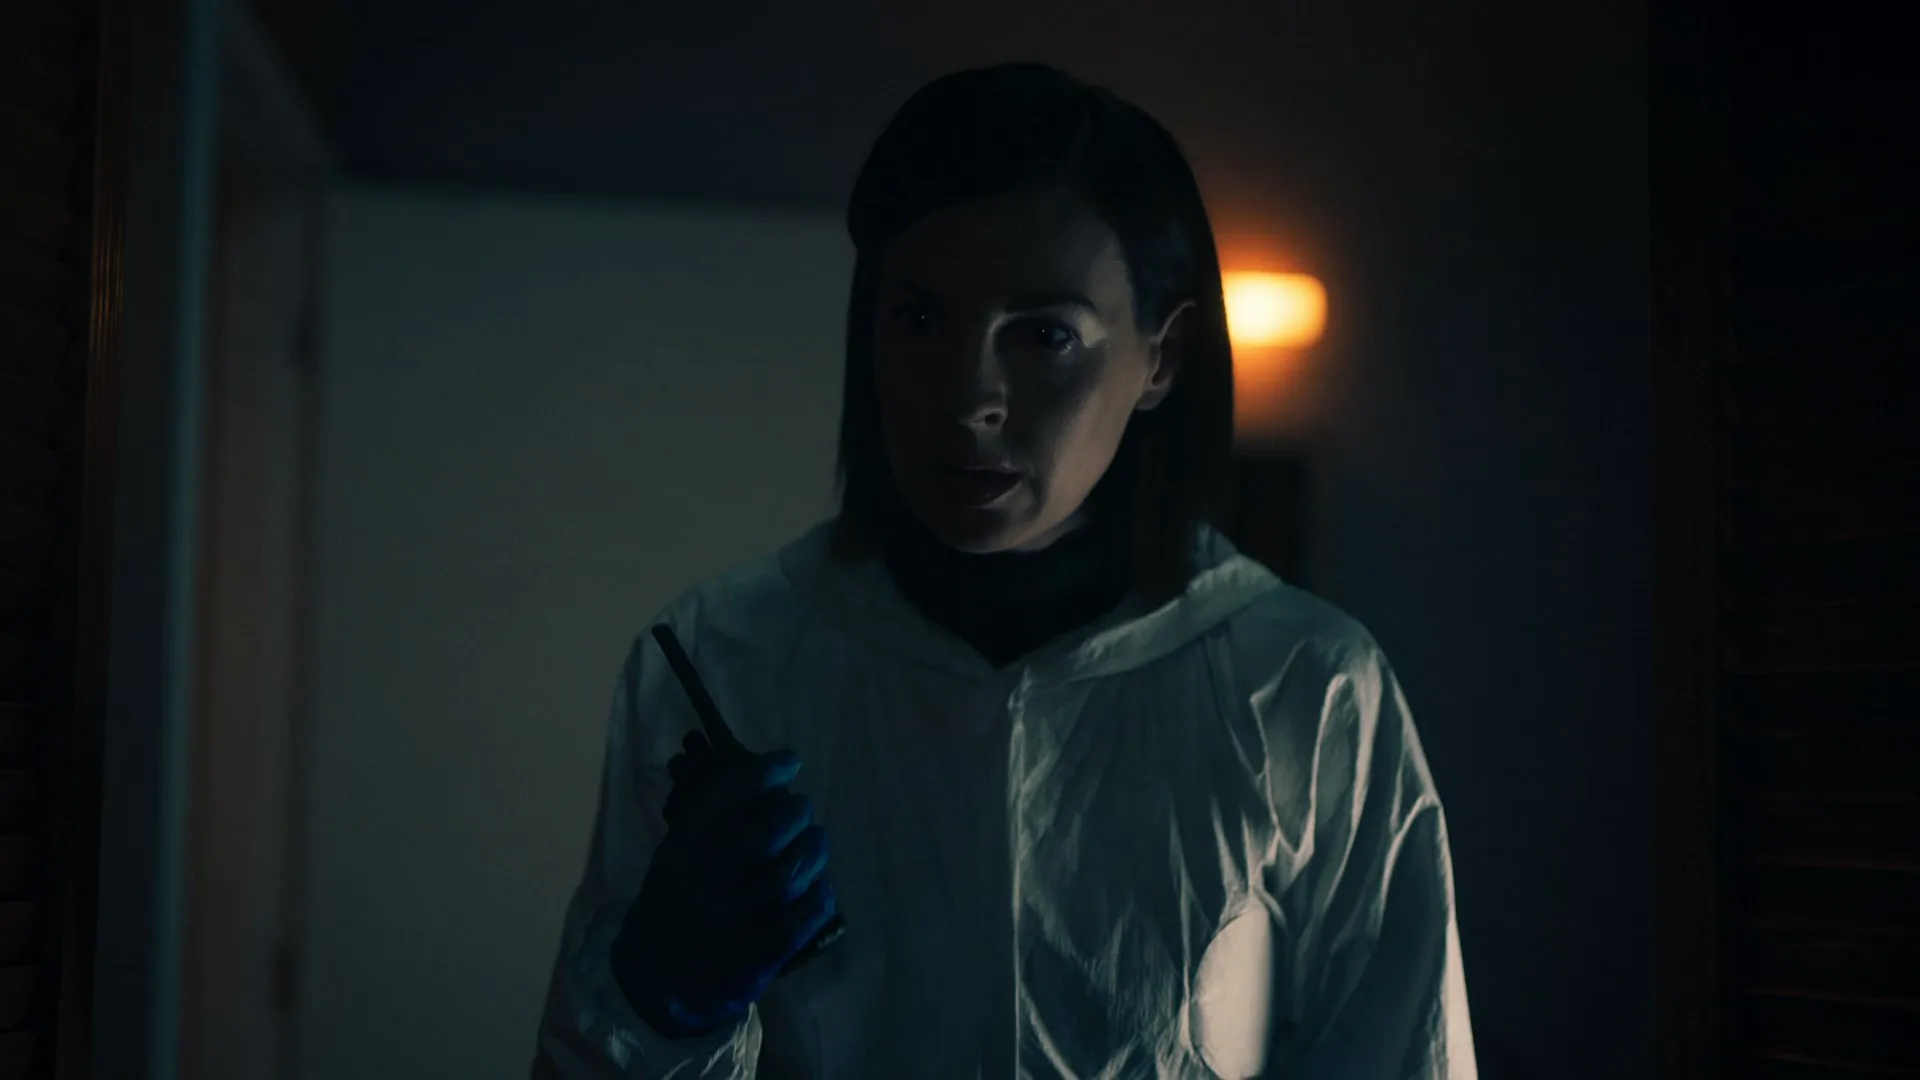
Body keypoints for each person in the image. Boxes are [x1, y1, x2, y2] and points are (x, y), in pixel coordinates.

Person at [531, 62, 1477, 1079]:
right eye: (920, 320)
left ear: (1161, 358)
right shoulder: (723, 661)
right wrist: (660, 999)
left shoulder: (1306, 686)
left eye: (1045, 336)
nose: (968, 395)